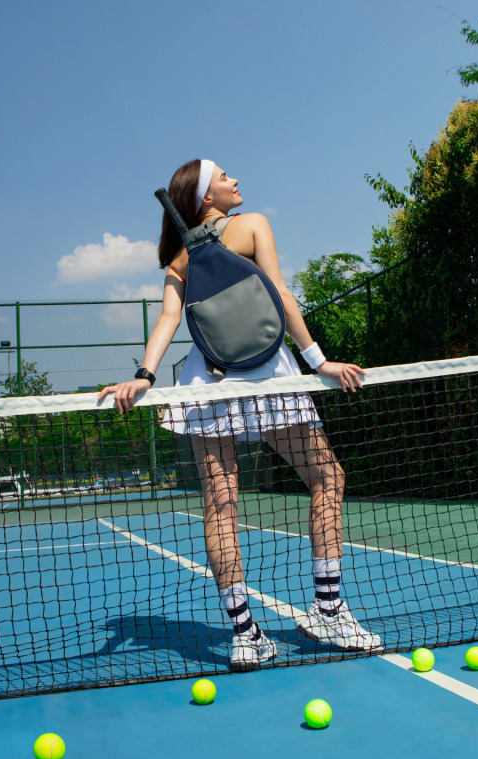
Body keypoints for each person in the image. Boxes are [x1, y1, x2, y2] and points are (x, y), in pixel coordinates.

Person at [99, 159, 380, 670]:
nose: (235, 180)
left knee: (221, 505)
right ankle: (329, 610)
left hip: (209, 388)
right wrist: (319, 361)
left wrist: (144, 375)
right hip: (271, 377)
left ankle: (244, 634)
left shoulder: (180, 260)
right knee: (327, 477)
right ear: (206, 197)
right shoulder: (254, 226)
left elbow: (167, 317)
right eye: (224, 176)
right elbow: (279, 294)